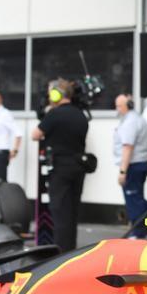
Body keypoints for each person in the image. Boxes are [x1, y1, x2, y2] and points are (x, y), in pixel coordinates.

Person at [31, 79, 89, 252]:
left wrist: (48, 112)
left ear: (57, 95)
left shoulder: (54, 115)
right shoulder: (81, 115)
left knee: (60, 211)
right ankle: (71, 249)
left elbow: (35, 135)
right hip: (78, 167)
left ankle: (60, 251)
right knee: (72, 211)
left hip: (60, 167)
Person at [113, 93, 147, 236]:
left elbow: (128, 147)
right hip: (137, 164)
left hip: (133, 165)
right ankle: (142, 230)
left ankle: (139, 233)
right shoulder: (132, 119)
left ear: (127, 105)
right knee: (137, 198)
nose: (117, 109)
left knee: (134, 200)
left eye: (119, 106)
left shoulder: (130, 122)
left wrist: (123, 171)